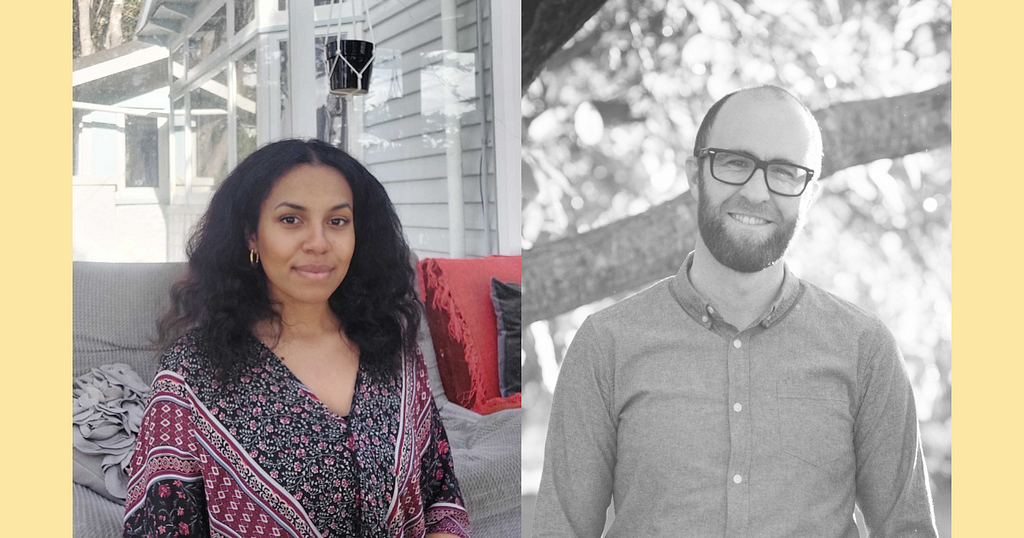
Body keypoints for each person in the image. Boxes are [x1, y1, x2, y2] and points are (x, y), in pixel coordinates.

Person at [532, 86, 938, 537]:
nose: (757, 191)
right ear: (695, 174)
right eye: (735, 163)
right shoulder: (607, 344)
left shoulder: (865, 349)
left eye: (785, 172)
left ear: (810, 195)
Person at [123, 139, 471, 538]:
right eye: (291, 220)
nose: (319, 243)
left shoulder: (394, 351)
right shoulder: (190, 375)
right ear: (251, 236)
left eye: (338, 221)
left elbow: (441, 498)